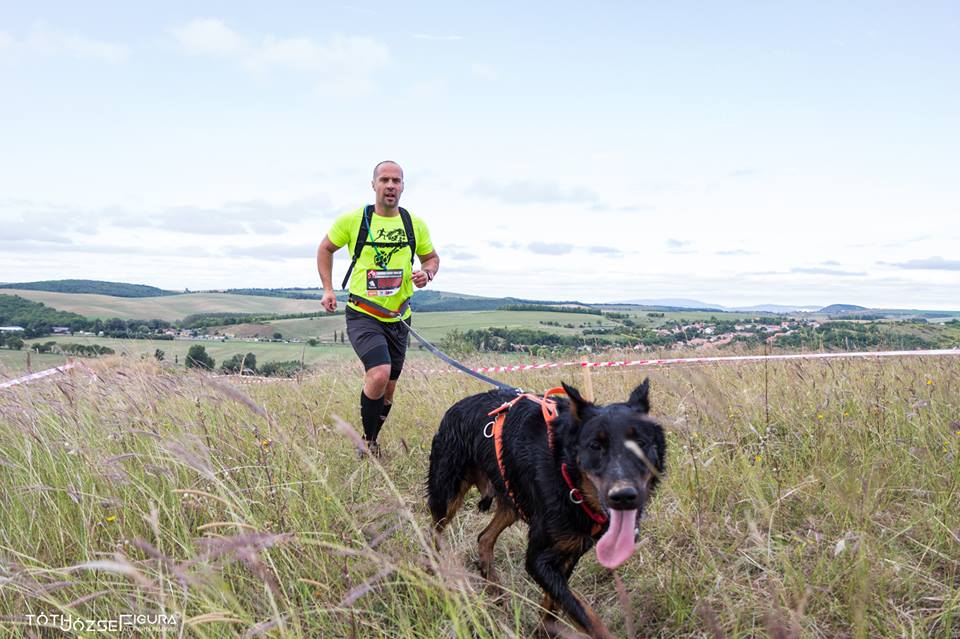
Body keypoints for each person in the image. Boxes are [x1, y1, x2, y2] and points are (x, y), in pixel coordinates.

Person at [317, 160, 439, 457]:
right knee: (379, 373)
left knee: (389, 389)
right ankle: (368, 446)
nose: (390, 185)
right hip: (363, 313)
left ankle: (370, 439)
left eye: (396, 181)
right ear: (373, 185)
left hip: (399, 317)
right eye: (384, 180)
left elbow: (431, 258)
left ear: (402, 187)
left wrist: (428, 273)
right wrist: (328, 288)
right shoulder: (353, 221)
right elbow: (325, 249)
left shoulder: (414, 224)